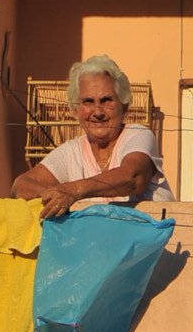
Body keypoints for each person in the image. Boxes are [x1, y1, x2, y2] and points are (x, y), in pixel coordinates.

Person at [12, 56, 172, 219]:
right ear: (75, 111)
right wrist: (51, 196)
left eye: (106, 100)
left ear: (124, 106)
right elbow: (21, 185)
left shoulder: (138, 135)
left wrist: (73, 191)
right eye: (88, 102)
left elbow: (132, 177)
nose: (98, 112)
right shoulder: (71, 152)